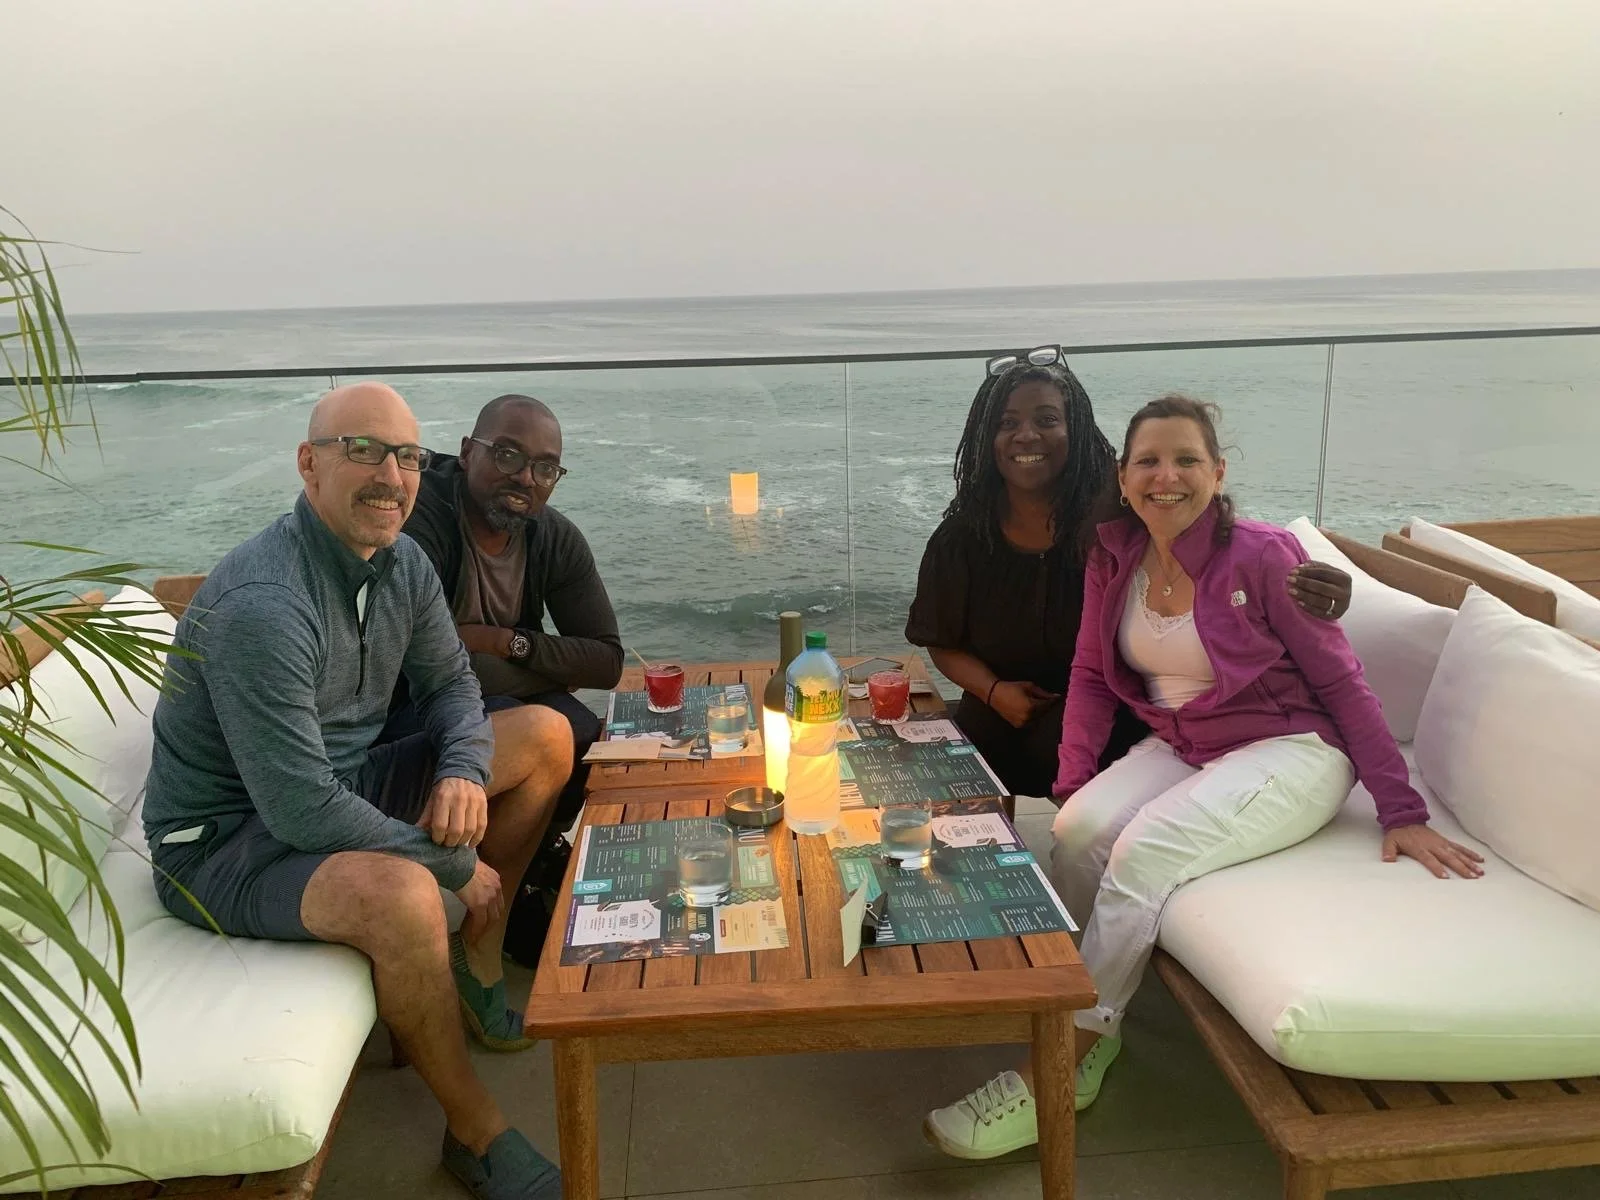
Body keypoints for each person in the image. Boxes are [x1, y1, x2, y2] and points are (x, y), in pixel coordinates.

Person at [923, 393, 1483, 1162]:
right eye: (1149, 461)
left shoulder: (1265, 555)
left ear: (1217, 473)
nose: (1167, 476)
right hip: (1188, 741)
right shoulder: (1114, 554)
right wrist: (1074, 778)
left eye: (1186, 459)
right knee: (1076, 832)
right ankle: (1087, 1004)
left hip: (1293, 750)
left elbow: (1344, 683)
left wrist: (1401, 809)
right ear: (1123, 479)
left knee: (1143, 853)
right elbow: (1091, 673)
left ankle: (1062, 1062)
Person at [142, 382, 568, 1200]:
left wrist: (460, 770)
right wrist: (455, 867)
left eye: (407, 457)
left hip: (340, 779)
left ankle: (477, 961)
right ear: (309, 464)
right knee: (403, 897)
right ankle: (473, 1132)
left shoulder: (400, 562)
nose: (391, 477)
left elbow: (452, 686)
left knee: (546, 737)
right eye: (363, 450)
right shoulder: (265, 605)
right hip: (227, 844)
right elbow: (300, 808)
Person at [905, 346, 1354, 798]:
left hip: (1109, 713)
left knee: (1071, 765)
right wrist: (994, 691)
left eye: (1047, 420)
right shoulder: (961, 538)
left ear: (1076, 430)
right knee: (953, 784)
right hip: (996, 708)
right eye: (1007, 423)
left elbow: (1217, 539)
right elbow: (941, 640)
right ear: (987, 437)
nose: (1026, 435)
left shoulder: (1121, 524)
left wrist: (1314, 582)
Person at [393, 392, 623, 966]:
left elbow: (605, 661)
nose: (525, 477)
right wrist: (545, 668)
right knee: (559, 722)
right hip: (409, 712)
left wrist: (507, 642)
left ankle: (527, 872)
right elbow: (418, 661)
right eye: (507, 454)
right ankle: (493, 911)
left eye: (545, 468)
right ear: (468, 452)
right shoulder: (421, 524)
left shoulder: (552, 536)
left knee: (588, 734)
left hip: (488, 690)